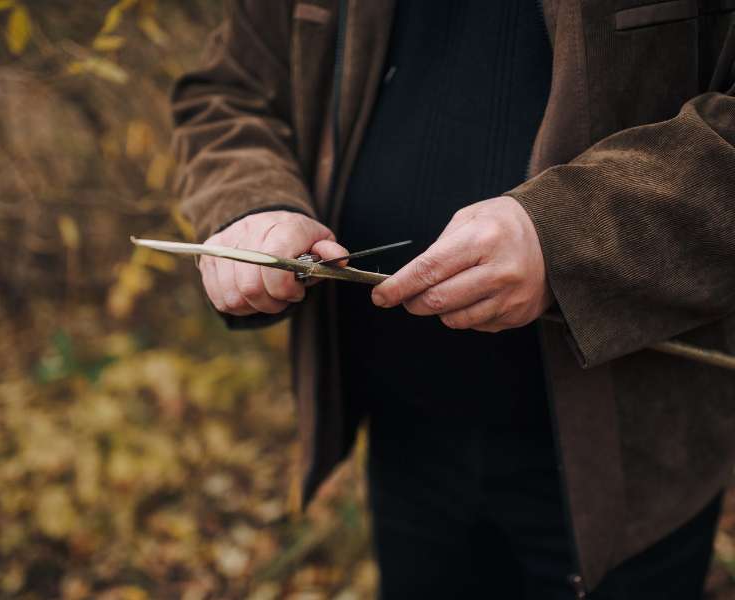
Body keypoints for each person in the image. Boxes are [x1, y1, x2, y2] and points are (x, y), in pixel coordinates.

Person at [171, 1, 735, 598]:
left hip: (633, 462)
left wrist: (569, 232)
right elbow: (228, 92)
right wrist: (251, 204)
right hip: (403, 442)